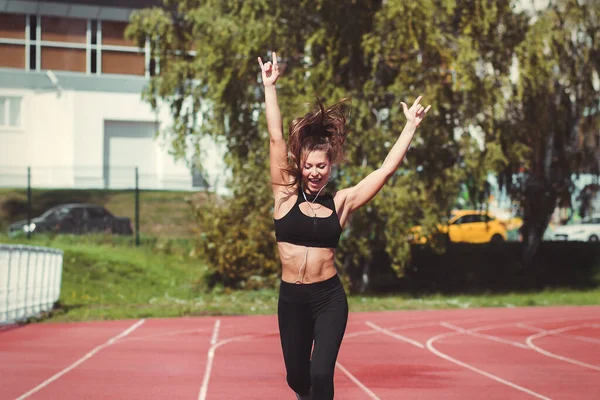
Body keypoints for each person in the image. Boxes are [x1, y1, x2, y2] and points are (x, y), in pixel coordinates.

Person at [257, 52, 430, 400]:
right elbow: (276, 137)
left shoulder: (341, 202)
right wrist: (269, 86)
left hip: (328, 298)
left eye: (321, 165)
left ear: (330, 166)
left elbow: (384, 171)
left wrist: (409, 126)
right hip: (292, 299)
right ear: (300, 165)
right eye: (308, 165)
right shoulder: (284, 196)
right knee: (297, 379)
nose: (314, 172)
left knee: (321, 374)